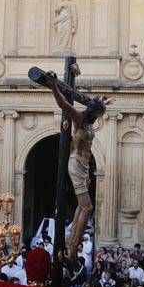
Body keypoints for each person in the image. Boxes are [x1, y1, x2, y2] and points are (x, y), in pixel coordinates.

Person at [48, 71, 111, 260]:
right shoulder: (80, 119)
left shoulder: (90, 123)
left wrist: (91, 169)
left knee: (82, 206)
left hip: (84, 166)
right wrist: (53, 85)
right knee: (88, 207)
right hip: (75, 163)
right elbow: (63, 104)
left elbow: (90, 148)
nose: (98, 118)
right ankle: (73, 246)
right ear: (92, 112)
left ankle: (71, 238)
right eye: (98, 114)